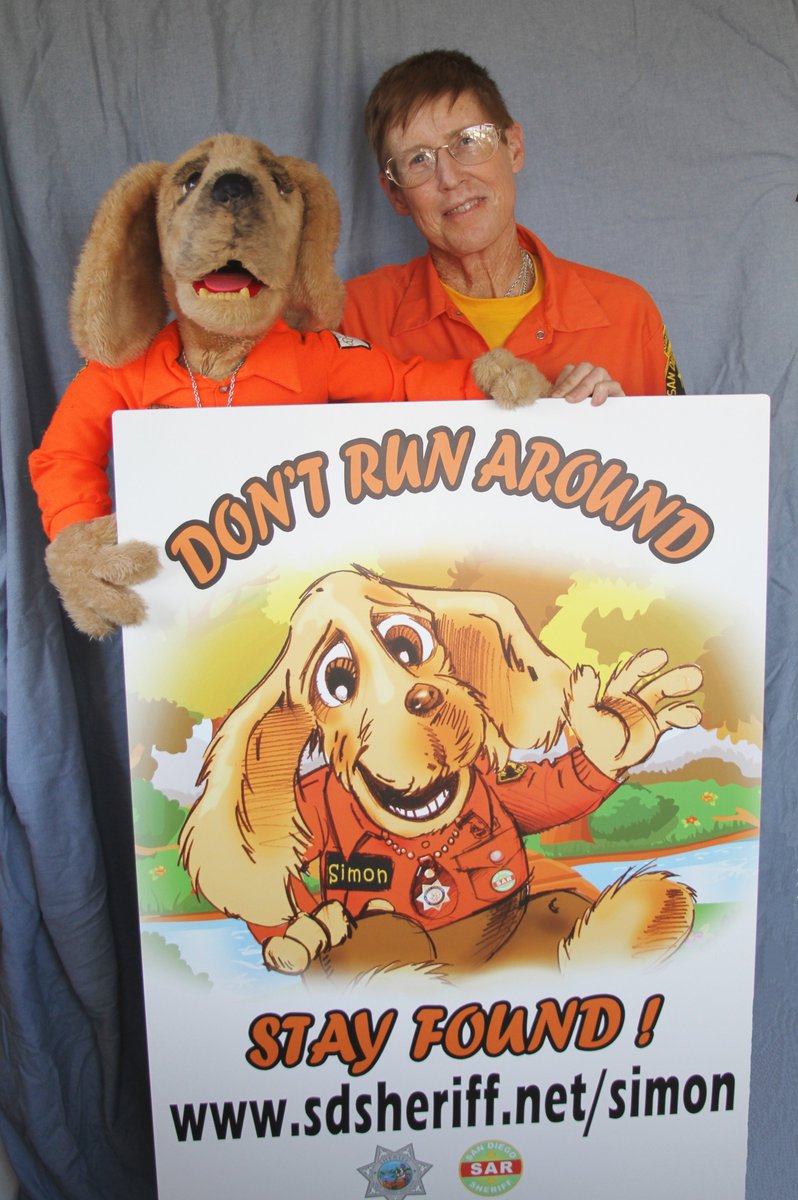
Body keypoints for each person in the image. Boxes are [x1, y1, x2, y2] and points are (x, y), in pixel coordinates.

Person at [342, 49, 685, 405]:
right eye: (418, 159)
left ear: (514, 148)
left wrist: (625, 426)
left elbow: (684, 442)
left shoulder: (628, 315)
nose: (450, 178)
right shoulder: (352, 321)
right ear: (395, 195)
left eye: (467, 141)